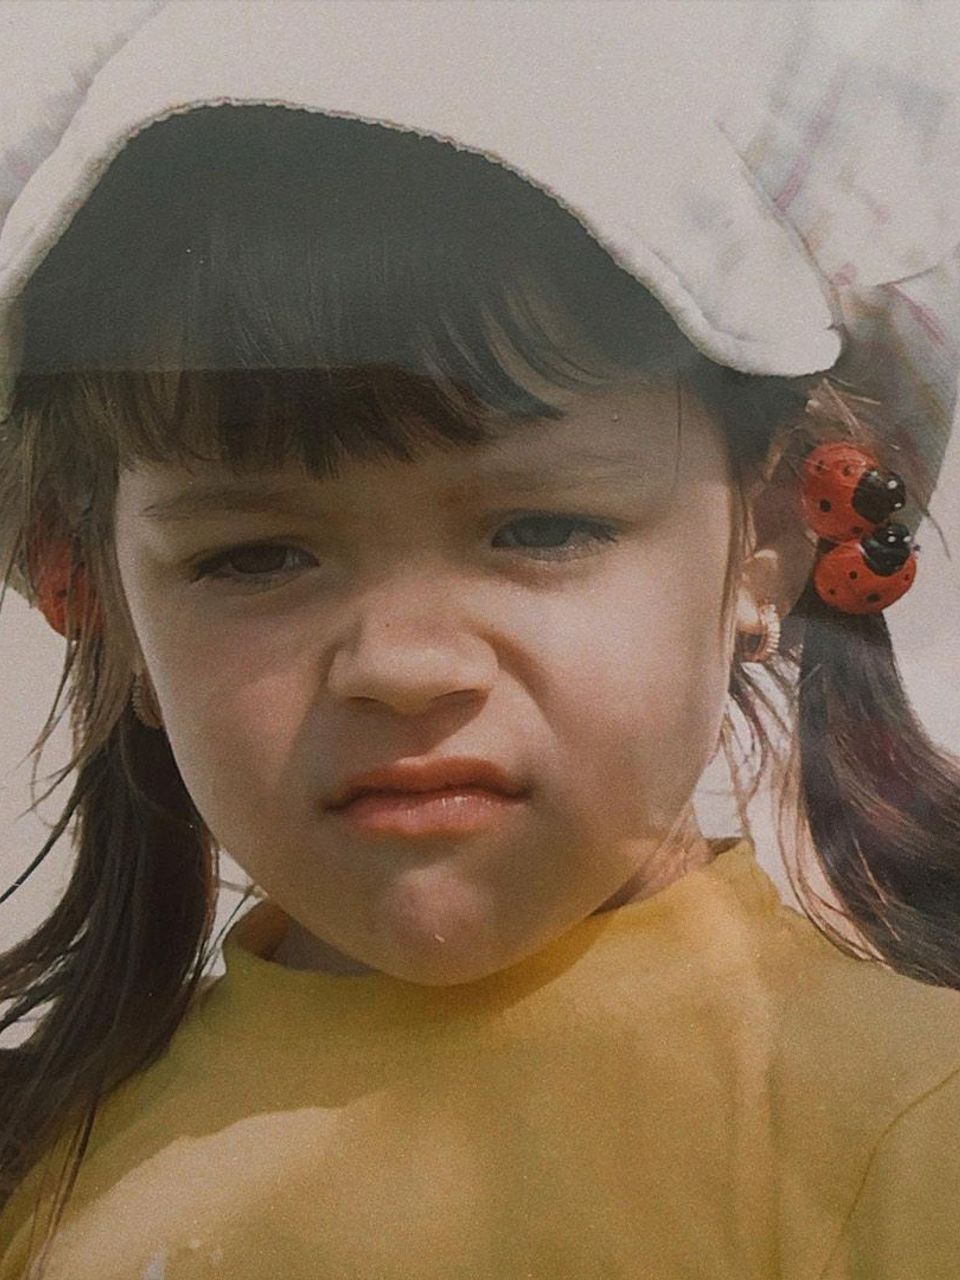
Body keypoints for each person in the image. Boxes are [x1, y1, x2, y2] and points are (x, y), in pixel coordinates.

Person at [1, 3, 960, 1277]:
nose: (404, 665)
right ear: (103, 600)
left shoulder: (907, 1124)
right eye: (255, 555)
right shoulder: (49, 1155)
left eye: (541, 527)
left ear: (773, 536)